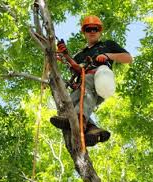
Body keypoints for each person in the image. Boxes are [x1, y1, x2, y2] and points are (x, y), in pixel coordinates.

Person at [50, 15, 133, 147]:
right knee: (69, 103)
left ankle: (79, 119)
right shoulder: (80, 54)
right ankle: (92, 130)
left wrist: (106, 55)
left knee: (87, 81)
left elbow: (128, 58)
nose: (92, 31)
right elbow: (77, 69)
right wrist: (65, 54)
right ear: (84, 32)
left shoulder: (107, 45)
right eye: (89, 29)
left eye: (95, 29)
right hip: (85, 89)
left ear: (100, 31)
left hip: (101, 79)